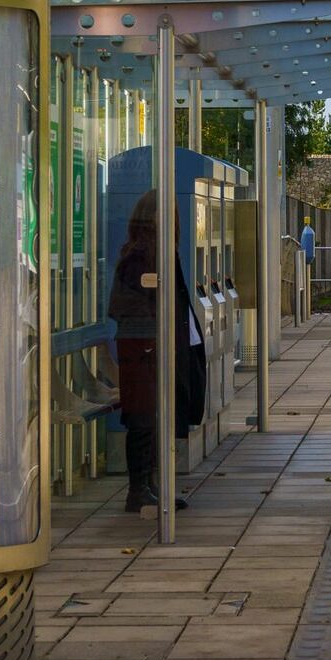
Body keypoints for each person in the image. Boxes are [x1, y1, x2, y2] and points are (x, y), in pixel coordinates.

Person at [107, 190, 206, 513]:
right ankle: (139, 489)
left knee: (153, 415)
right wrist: (156, 333)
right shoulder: (144, 254)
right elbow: (129, 303)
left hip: (152, 343)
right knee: (144, 416)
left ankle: (149, 485)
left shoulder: (155, 251)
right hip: (145, 346)